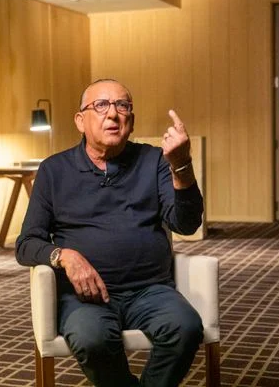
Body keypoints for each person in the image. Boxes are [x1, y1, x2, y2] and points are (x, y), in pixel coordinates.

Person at [16, 79, 204, 387]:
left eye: (122, 105)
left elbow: (186, 224)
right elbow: (26, 244)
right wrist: (64, 256)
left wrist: (181, 165)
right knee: (91, 339)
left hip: (150, 289)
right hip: (84, 297)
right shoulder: (54, 170)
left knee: (186, 327)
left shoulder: (154, 160)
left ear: (132, 120)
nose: (113, 113)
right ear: (80, 120)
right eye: (101, 105)